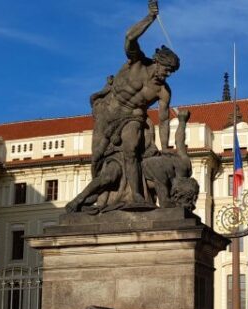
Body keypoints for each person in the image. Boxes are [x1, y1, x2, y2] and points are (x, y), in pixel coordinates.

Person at [66, 0, 180, 213]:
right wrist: (150, 18)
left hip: (133, 118)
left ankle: (136, 194)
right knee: (98, 158)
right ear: (157, 61)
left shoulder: (163, 91)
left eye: (170, 72)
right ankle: (94, 198)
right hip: (107, 113)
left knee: (130, 150)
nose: (167, 74)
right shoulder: (137, 62)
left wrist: (165, 148)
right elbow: (129, 37)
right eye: (166, 69)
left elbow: (163, 120)